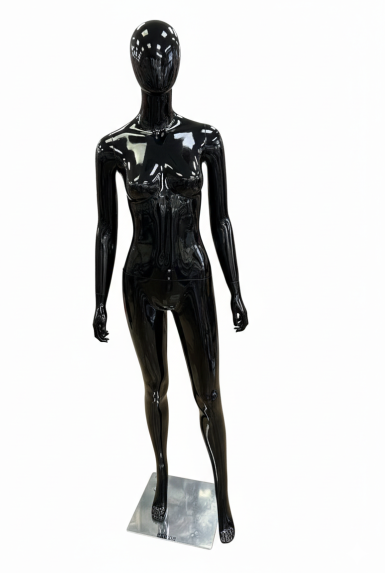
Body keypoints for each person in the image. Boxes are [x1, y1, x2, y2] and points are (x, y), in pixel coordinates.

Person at [93, 20, 248, 544]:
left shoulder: (204, 139)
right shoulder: (114, 148)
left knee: (209, 393)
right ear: (133, 64)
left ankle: (223, 496)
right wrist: (98, 299)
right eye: (148, 56)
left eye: (165, 55)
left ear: (179, 63)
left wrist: (235, 289)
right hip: (139, 281)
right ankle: (161, 476)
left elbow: (221, 221)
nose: (157, 65)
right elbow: (106, 230)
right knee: (155, 387)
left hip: (192, 277)